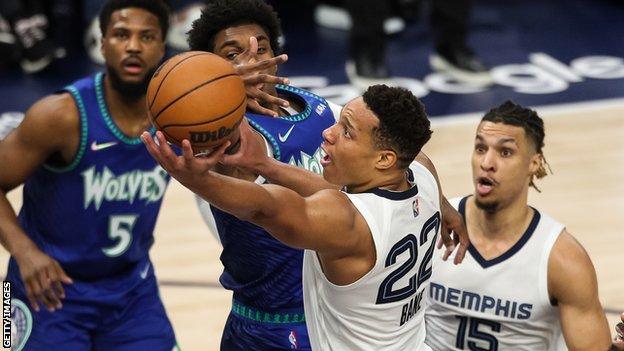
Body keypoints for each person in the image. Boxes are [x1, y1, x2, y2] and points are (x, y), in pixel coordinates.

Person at [187, 2, 467, 349]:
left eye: (262, 46)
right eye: (233, 55)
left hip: (341, 310)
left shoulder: (309, 104)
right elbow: (178, 112)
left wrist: (442, 205)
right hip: (272, 325)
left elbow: (400, 150)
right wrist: (218, 86)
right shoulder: (223, 132)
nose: (252, 58)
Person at [143, 84, 463, 350]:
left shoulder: (346, 223)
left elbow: (265, 207)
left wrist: (197, 180)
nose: (329, 132)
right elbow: (337, 190)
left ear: (384, 159)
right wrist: (265, 166)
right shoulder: (421, 174)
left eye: (347, 132)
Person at [0, 1, 180, 349]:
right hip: (41, 286)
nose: (133, 46)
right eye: (121, 34)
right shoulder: (60, 116)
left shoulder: (174, 116)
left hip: (132, 290)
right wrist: (23, 252)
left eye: (147, 37)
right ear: (101, 43)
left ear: (162, 47)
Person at [424, 101, 612, 350]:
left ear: (534, 163)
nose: (487, 162)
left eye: (505, 152)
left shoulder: (563, 260)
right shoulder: (430, 225)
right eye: (480, 148)